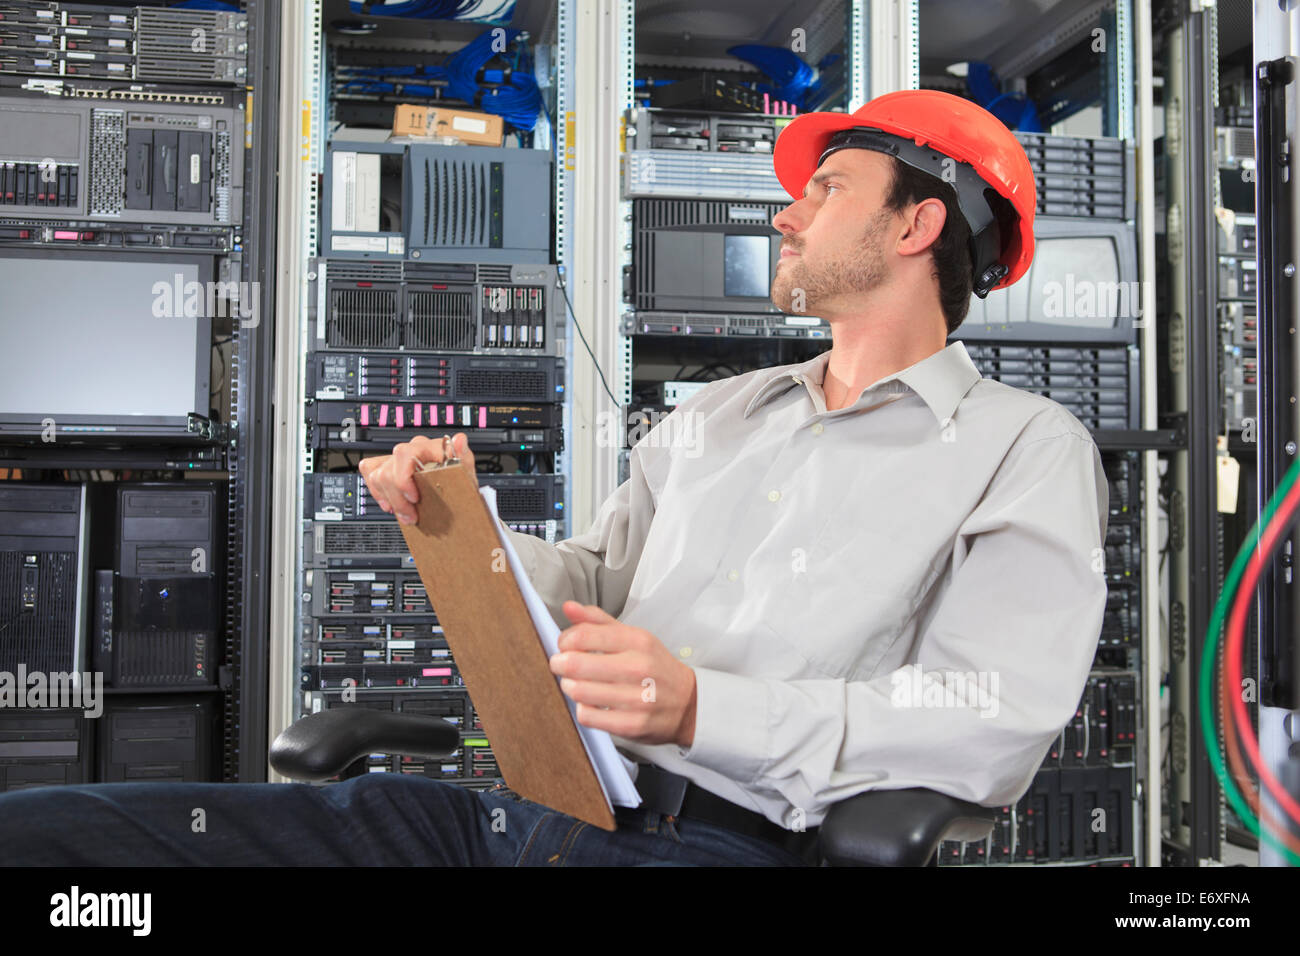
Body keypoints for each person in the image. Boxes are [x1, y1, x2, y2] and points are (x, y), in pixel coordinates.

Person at [0, 90, 1107, 867]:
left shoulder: (1023, 447)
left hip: (723, 844)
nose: (786, 211)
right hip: (517, 811)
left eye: (824, 188)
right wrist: (457, 523)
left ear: (917, 223)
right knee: (54, 839)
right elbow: (593, 578)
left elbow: (985, 716)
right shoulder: (720, 413)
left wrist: (703, 706)